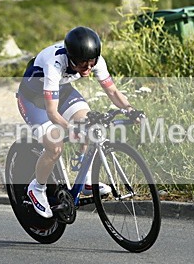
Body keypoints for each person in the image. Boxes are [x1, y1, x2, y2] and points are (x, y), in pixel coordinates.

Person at [16, 26, 135, 218]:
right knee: (55, 147)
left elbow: (112, 92)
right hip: (33, 100)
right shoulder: (54, 65)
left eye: (91, 63)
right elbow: (52, 112)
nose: (87, 69)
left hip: (61, 92)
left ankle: (85, 179)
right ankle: (36, 189)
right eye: (82, 65)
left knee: (89, 122)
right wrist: (71, 129)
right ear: (71, 58)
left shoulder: (92, 59)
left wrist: (130, 110)